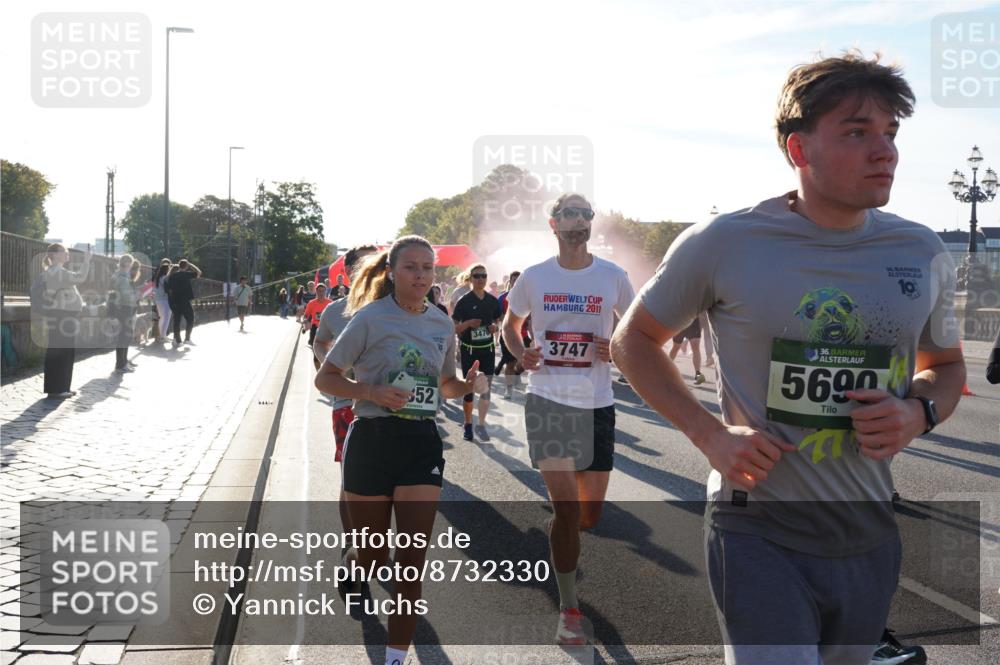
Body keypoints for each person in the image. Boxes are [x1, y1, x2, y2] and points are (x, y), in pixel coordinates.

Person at [611, 53, 965, 665]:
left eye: (890, 134)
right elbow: (632, 339)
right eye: (857, 132)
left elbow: (949, 366)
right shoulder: (724, 241)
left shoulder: (921, 248)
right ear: (799, 149)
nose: (885, 152)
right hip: (759, 528)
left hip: (868, 530)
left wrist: (918, 413)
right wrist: (710, 434)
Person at [315, 235, 485, 665]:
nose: (421, 275)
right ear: (391, 271)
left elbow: (445, 382)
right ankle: (355, 562)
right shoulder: (370, 317)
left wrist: (466, 386)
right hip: (371, 440)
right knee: (373, 556)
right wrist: (370, 389)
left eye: (428, 268)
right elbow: (327, 377)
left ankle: (394, 658)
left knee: (411, 563)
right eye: (411, 267)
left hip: (420, 444)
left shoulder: (442, 323)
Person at [503, 193, 635, 646]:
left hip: (597, 403)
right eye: (570, 213)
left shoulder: (613, 276)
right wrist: (523, 354)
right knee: (566, 510)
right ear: (553, 223)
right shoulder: (536, 277)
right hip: (548, 401)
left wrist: (613, 347)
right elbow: (510, 324)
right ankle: (569, 608)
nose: (578, 220)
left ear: (591, 224)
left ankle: (566, 544)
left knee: (590, 514)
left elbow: (635, 330)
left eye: (585, 213)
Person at [313, 245, 379, 557]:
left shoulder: (393, 305)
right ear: (349, 271)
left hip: (391, 406)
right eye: (368, 263)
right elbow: (319, 342)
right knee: (351, 477)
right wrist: (334, 367)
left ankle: (374, 543)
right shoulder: (334, 310)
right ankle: (352, 542)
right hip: (347, 405)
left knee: (385, 480)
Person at [452, 263, 502, 442]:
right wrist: (467, 324)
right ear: (470, 279)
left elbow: (498, 322)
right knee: (469, 390)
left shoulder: (491, 300)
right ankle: (468, 424)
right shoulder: (464, 301)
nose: (481, 279)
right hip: (469, 351)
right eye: (477, 276)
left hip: (487, 350)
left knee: (486, 391)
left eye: (483, 276)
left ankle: (481, 424)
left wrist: (494, 327)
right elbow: (454, 328)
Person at [40, 243, 92, 398]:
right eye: (65, 252)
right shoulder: (58, 272)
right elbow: (80, 277)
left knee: (58, 350)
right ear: (55, 255)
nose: (67, 254)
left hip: (59, 314)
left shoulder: (53, 271)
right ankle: (59, 388)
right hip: (64, 315)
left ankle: (58, 387)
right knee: (64, 351)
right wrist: (87, 260)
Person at [496, 271, 531, 399]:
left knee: (524, 363)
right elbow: (498, 317)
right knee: (509, 364)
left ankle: (516, 374)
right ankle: (508, 389)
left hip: (523, 335)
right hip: (508, 336)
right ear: (509, 282)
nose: (515, 282)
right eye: (513, 279)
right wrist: (507, 319)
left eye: (518, 279)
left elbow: (531, 319)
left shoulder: (527, 297)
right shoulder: (502, 298)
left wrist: (533, 337)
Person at [109, 254, 140, 373]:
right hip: (124, 309)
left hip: (123, 309)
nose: (132, 266)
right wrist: (139, 294)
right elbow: (126, 296)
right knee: (124, 336)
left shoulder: (120, 275)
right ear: (127, 264)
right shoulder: (122, 277)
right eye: (131, 264)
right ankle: (121, 364)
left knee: (125, 336)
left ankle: (123, 362)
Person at [166, 259, 201, 346]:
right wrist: (191, 264)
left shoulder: (172, 276)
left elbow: (169, 290)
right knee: (191, 319)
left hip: (174, 301)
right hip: (185, 301)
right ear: (186, 266)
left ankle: (177, 340)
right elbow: (199, 272)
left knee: (177, 320)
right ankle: (187, 339)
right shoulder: (186, 274)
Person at [668, 316, 706, 385]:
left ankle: (698, 374)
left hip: (693, 322)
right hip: (680, 322)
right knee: (676, 347)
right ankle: (666, 370)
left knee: (695, 347)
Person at [301, 283, 332, 358]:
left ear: (325, 292)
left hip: (326, 327)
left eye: (323, 291)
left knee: (326, 347)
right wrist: (305, 319)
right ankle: (316, 357)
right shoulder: (311, 303)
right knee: (313, 344)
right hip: (315, 326)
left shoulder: (330, 303)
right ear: (316, 292)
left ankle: (325, 360)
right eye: (319, 291)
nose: (321, 293)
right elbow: (306, 314)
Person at [152, 259, 172, 341]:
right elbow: (167, 289)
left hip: (158, 300)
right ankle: (163, 336)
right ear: (167, 270)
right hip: (165, 300)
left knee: (161, 318)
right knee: (166, 318)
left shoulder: (157, 278)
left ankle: (161, 335)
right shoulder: (165, 278)